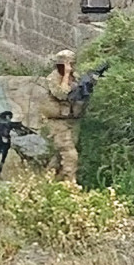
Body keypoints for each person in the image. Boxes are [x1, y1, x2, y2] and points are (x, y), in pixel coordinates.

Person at [39, 50, 85, 182]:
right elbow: (62, 94)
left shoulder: (75, 76)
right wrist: (65, 75)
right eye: (67, 63)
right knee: (70, 155)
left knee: (60, 155)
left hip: (72, 120)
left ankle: (47, 180)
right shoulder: (52, 79)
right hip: (57, 122)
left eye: (72, 63)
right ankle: (71, 185)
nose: (70, 66)